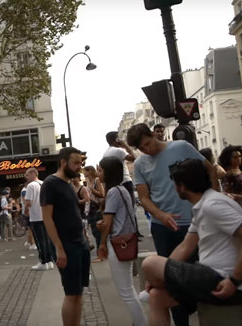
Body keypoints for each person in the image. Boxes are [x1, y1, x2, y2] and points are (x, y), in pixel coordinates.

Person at [141, 159, 242, 326]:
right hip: (210, 278)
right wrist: (158, 277)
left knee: (150, 263)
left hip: (224, 280)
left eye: (174, 184)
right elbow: (185, 247)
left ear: (182, 186)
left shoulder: (212, 205)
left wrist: (234, 280)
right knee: (157, 297)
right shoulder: (203, 205)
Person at [127, 123, 217, 326]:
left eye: (147, 144)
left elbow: (210, 170)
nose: (146, 150)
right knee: (170, 278)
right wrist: (160, 215)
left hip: (193, 220)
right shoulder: (141, 164)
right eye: (141, 148)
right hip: (163, 227)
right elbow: (144, 197)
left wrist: (212, 199)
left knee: (199, 272)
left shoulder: (181, 147)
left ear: (153, 135)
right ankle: (181, 322)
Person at [41, 147, 90, 326]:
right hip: (67, 246)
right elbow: (47, 218)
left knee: (78, 293)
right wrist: (59, 248)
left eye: (80, 163)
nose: (79, 167)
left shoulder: (69, 184)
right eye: (76, 163)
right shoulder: (50, 183)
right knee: (71, 293)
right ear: (63, 162)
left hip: (80, 244)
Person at [96, 157, 147, 326]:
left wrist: (102, 243)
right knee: (128, 288)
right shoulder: (123, 190)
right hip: (127, 239)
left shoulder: (112, 192)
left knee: (125, 291)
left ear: (108, 172)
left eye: (100, 170)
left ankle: (141, 323)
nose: (98, 174)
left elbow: (108, 223)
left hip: (118, 242)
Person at [24, 167, 54, 271]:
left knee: (39, 240)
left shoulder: (31, 186)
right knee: (46, 239)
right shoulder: (43, 183)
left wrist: (26, 211)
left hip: (36, 216)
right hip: (45, 215)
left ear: (33, 174)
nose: (26, 177)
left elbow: (28, 202)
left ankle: (43, 261)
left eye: (27, 175)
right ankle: (49, 260)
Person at [103, 131, 137, 205]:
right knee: (131, 206)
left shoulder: (105, 154)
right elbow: (134, 158)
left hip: (114, 184)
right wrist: (125, 145)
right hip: (125, 181)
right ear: (117, 140)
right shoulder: (119, 151)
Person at [83, 166, 105, 259]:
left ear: (90, 171)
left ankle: (101, 254)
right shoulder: (88, 182)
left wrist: (91, 190)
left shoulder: (96, 180)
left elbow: (102, 194)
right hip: (91, 208)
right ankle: (100, 253)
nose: (83, 173)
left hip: (97, 207)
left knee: (98, 232)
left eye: (85, 171)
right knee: (94, 231)